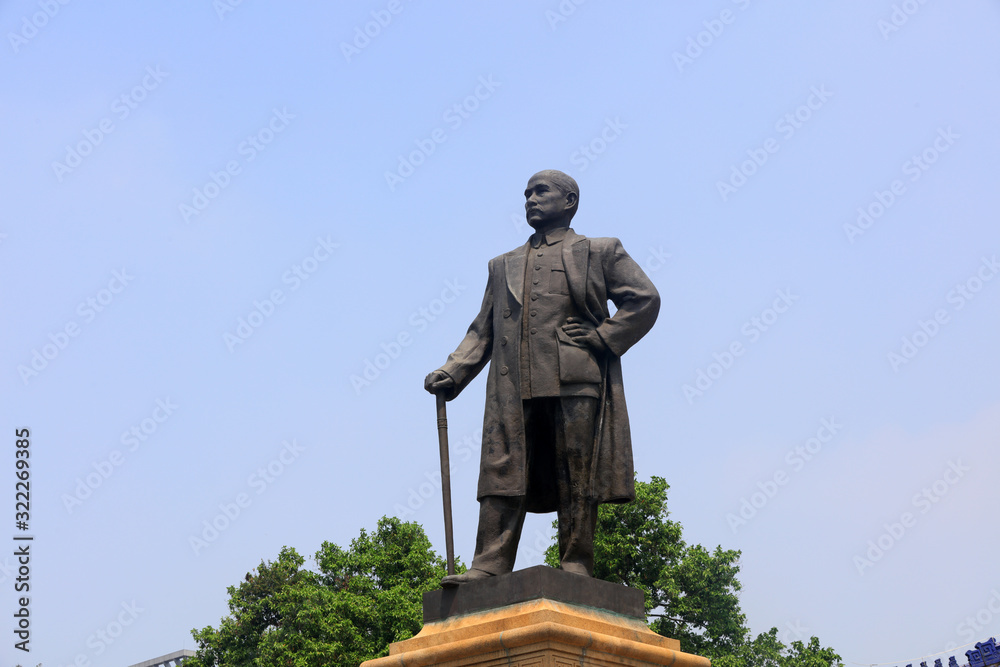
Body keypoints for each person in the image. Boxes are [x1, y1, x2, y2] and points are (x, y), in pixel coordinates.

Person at [424, 169, 659, 585]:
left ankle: (576, 561)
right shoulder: (503, 265)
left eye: (541, 191)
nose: (530, 199)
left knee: (577, 472)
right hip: (512, 386)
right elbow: (483, 330)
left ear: (569, 201)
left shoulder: (600, 250)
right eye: (527, 193)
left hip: (576, 380)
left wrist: (603, 337)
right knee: (501, 469)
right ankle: (489, 564)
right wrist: (452, 371)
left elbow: (644, 299)